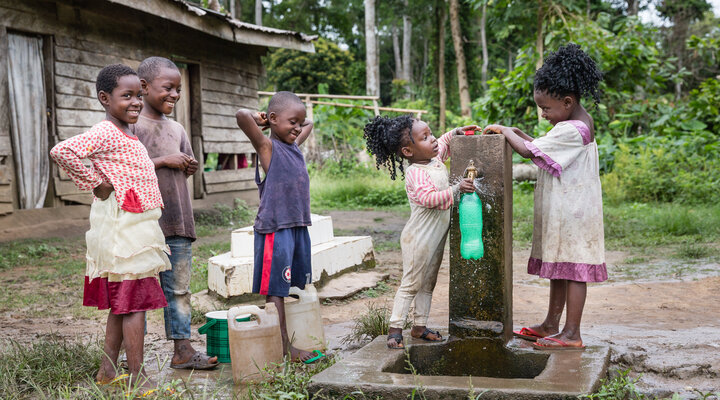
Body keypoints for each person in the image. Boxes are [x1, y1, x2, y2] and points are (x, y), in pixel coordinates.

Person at [50, 64, 171, 394]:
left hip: (133, 226)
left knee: (124, 304)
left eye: (138, 95)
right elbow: (63, 150)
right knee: (134, 304)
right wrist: (95, 183)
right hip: (124, 230)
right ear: (105, 98)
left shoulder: (127, 133)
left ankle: (107, 371)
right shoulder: (105, 131)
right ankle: (137, 376)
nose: (135, 102)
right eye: (126, 95)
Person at [483, 43, 607, 350]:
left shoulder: (573, 130)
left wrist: (502, 130)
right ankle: (552, 324)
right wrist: (516, 131)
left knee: (575, 270)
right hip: (569, 211)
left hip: (575, 214)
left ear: (566, 102)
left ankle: (572, 333)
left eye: (546, 108)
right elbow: (540, 143)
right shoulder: (573, 122)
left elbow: (529, 151)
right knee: (561, 267)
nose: (543, 114)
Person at [363, 115, 479, 349]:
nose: (434, 139)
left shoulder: (434, 159)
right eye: (425, 138)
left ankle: (419, 326)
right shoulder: (416, 173)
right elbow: (428, 199)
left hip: (435, 238)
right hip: (418, 237)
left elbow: (444, 143)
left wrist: (456, 131)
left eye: (431, 133)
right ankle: (395, 329)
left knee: (428, 283)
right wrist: (456, 189)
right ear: (408, 151)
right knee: (411, 283)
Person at [133, 57, 217, 370]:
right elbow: (126, 170)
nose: (175, 94)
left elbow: (186, 163)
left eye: (178, 88)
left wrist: (188, 165)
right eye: (168, 87)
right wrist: (165, 160)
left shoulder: (178, 128)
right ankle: (133, 356)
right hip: (141, 224)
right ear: (144, 87)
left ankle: (182, 349)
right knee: (138, 290)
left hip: (177, 221)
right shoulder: (132, 127)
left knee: (179, 289)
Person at [235, 91, 316, 362]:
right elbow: (241, 117)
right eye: (291, 122)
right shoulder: (268, 147)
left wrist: (291, 123)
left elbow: (309, 125)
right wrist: (263, 121)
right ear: (272, 120)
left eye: (298, 123)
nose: (297, 128)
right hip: (276, 230)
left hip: (296, 226)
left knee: (289, 283)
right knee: (276, 289)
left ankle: (284, 343)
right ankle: (282, 347)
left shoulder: (294, 146)